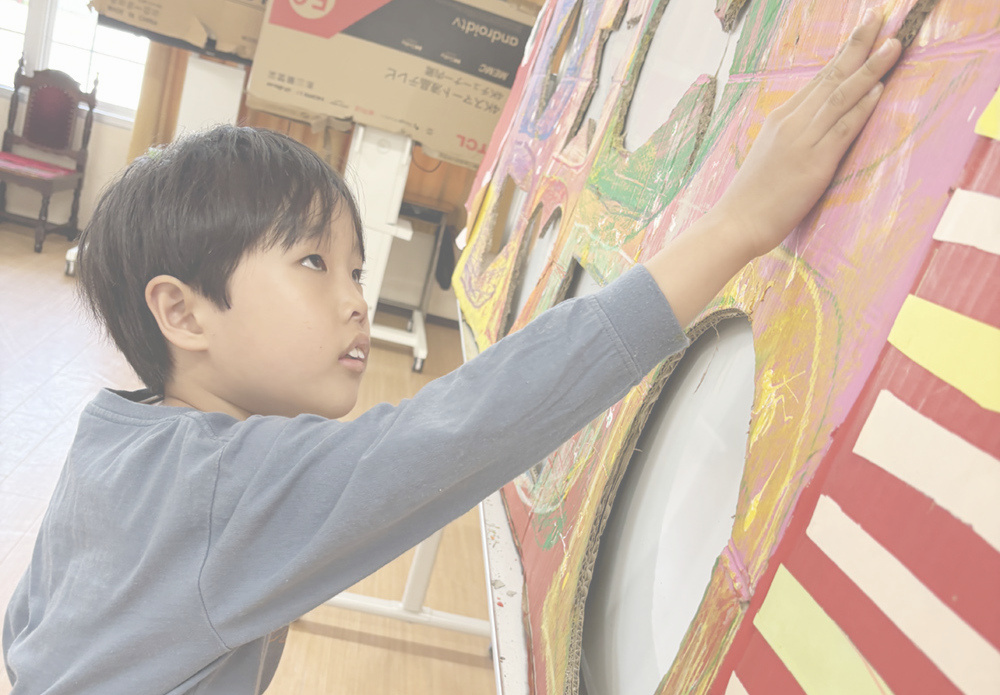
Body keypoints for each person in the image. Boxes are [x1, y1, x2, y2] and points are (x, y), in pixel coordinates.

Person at [2, 12, 900, 694]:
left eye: (357, 268)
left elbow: (26, 631)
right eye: (314, 263)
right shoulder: (227, 487)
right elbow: (469, 424)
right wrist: (737, 225)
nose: (356, 298)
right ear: (182, 312)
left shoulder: (108, 434)